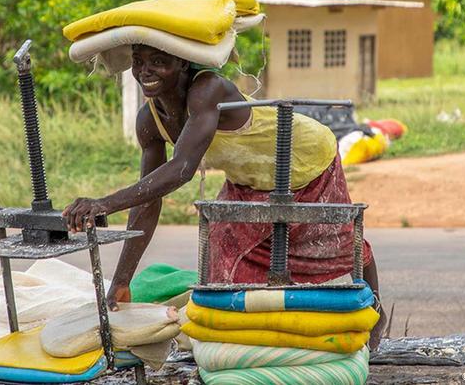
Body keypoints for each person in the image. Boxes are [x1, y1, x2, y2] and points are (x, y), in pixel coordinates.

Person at [62, 44, 386, 348]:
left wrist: (106, 203)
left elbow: (182, 168)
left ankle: (375, 310)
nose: (146, 71)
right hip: (250, 177)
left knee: (335, 241)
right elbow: (149, 196)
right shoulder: (150, 119)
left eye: (159, 62)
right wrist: (121, 283)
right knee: (225, 250)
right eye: (139, 61)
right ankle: (252, 336)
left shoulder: (208, 88)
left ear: (182, 62)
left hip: (303, 156)